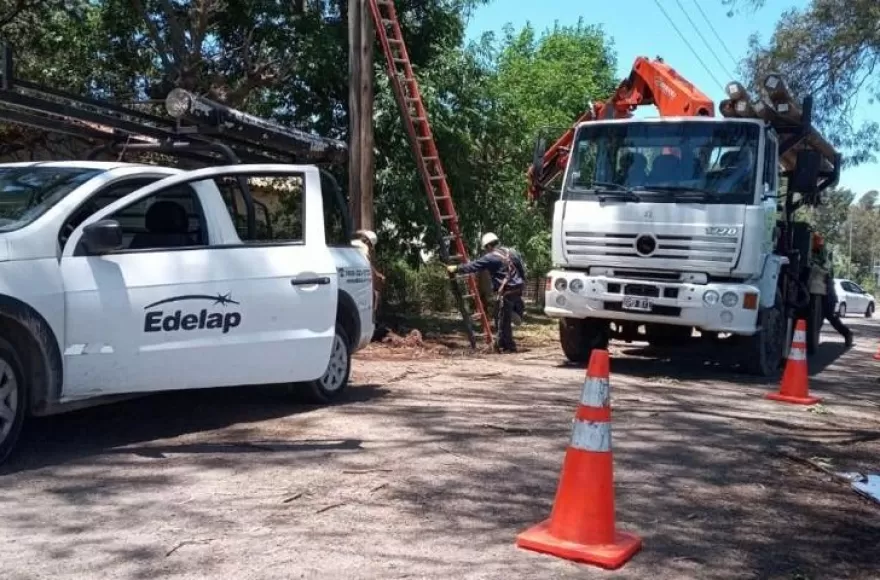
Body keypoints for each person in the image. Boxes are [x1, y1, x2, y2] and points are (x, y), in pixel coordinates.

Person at [447, 232, 526, 353]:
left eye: (485, 248)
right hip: (518, 287)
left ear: (488, 246)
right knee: (504, 313)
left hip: (507, 290)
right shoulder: (511, 252)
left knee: (502, 319)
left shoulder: (490, 257)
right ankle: (516, 313)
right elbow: (521, 268)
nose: (486, 250)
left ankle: (507, 346)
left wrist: (456, 268)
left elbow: (473, 266)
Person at [811, 233, 853, 347]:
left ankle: (847, 333)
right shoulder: (814, 253)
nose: (816, 245)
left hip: (827, 291)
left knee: (830, 316)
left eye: (816, 243)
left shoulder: (824, 254)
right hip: (820, 289)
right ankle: (811, 340)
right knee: (816, 318)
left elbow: (826, 268)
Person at [352, 229, 385, 321]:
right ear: (368, 242)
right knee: (374, 294)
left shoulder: (352, 243)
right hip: (357, 281)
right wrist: (378, 277)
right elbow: (367, 266)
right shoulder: (363, 247)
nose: (370, 248)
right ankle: (370, 320)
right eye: (371, 245)